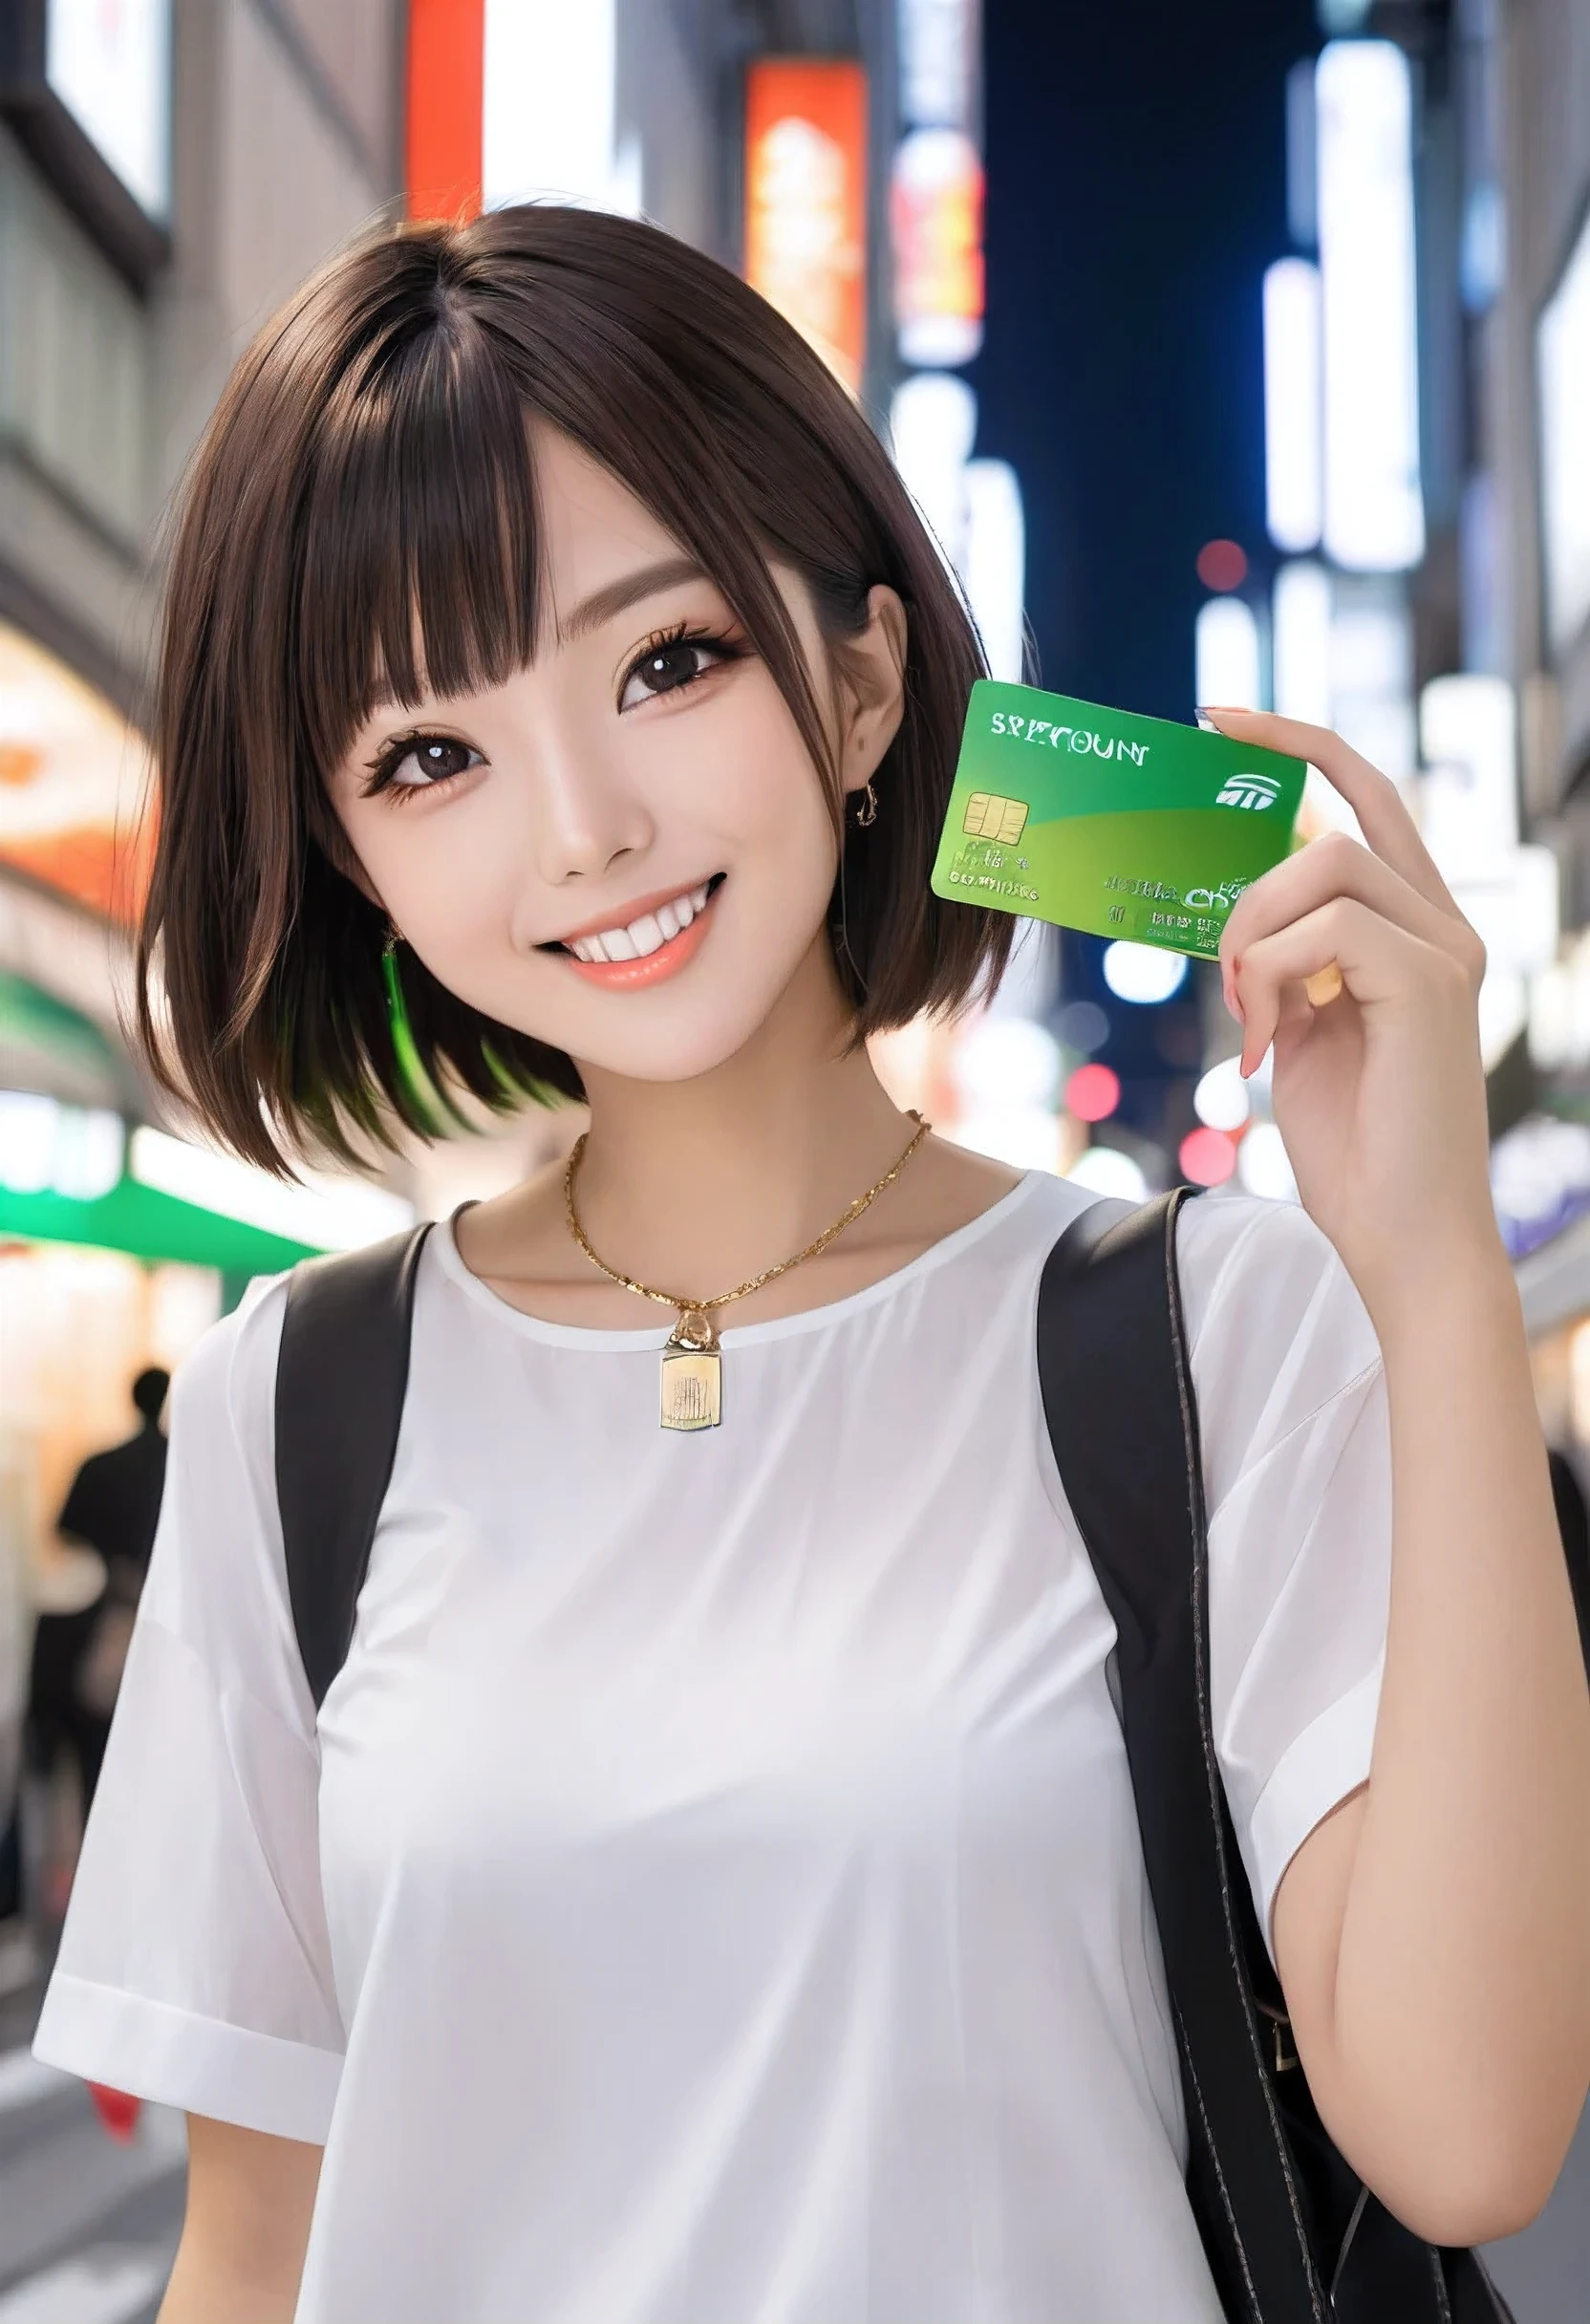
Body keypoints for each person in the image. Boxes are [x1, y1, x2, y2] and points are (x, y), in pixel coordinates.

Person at [29, 207, 1590, 2324]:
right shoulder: (291, 1408)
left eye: (664, 661)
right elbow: (256, 2255)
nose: (577, 822)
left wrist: (1426, 1273)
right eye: (430, 755)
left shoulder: (1207, 1331)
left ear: (860, 681)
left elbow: (1469, 2133)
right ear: (351, 857)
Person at [24, 1366, 169, 1822]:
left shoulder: (103, 1466)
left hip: (103, 1624)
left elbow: (66, 1532)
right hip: (157, 1625)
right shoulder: (183, 1467)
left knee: (98, 1770)